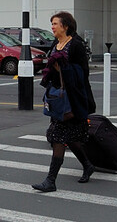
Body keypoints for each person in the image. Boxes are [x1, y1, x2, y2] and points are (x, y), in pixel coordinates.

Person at [32, 11, 97, 192]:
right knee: (69, 136)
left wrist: (63, 67)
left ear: (65, 26)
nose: (52, 27)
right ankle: (87, 165)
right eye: (51, 24)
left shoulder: (75, 45)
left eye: (55, 24)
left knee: (58, 137)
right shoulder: (56, 43)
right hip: (59, 99)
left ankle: (51, 181)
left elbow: (83, 73)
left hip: (73, 99)